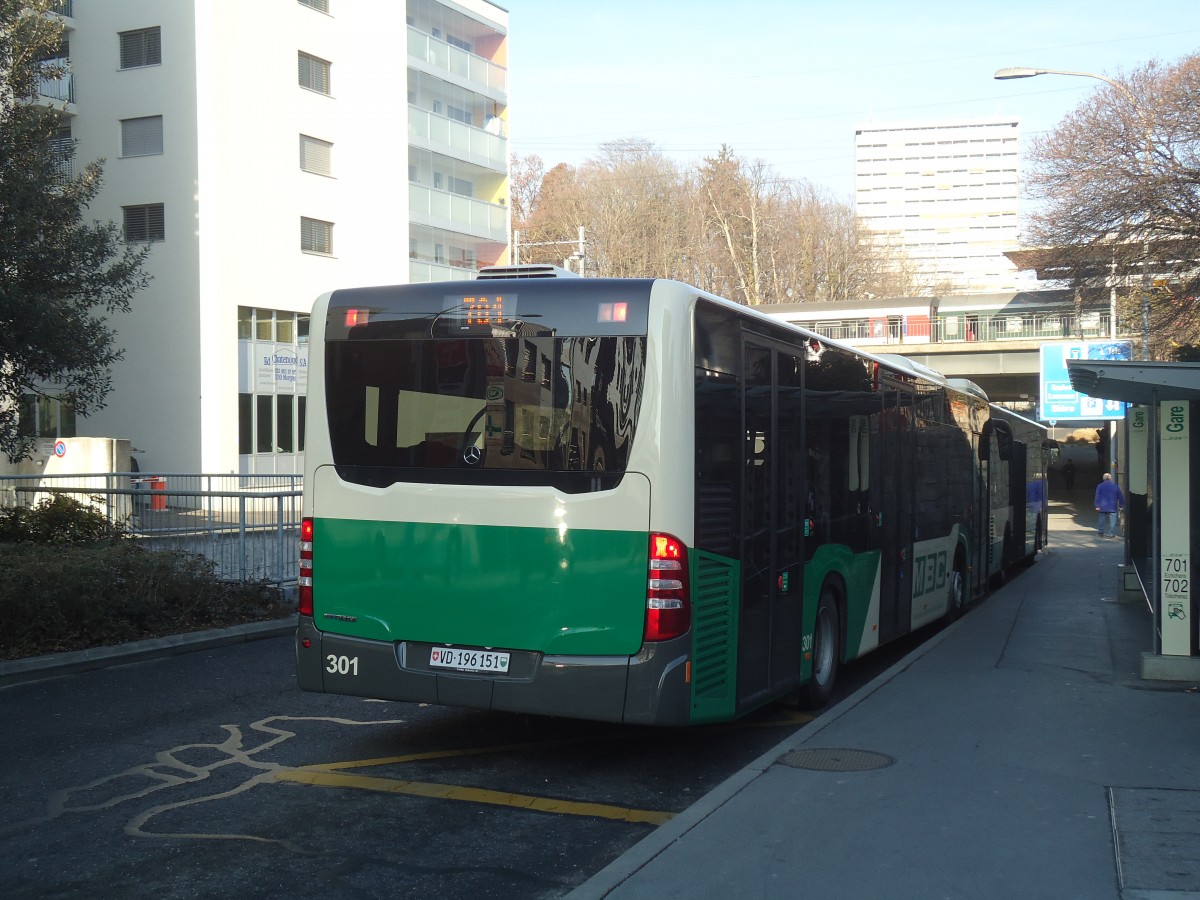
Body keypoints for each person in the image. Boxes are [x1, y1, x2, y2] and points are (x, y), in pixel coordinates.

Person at [1094, 472, 1124, 537]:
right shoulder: (1115, 486)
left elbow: (1097, 496)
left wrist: (1097, 505)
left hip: (1102, 506)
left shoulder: (1100, 486)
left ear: (1103, 478)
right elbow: (1120, 496)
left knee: (1101, 519)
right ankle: (1111, 533)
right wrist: (1122, 505)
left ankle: (1101, 532)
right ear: (1110, 478)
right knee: (1113, 520)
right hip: (1112, 506)